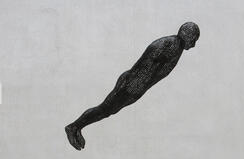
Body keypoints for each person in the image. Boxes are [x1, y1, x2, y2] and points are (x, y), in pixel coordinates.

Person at [65, 22, 200, 150]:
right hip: (130, 85)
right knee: (105, 110)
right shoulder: (170, 44)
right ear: (187, 35)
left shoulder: (177, 48)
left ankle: (77, 127)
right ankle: (73, 127)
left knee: (107, 111)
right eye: (194, 39)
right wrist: (130, 87)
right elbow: (145, 65)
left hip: (135, 88)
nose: (193, 44)